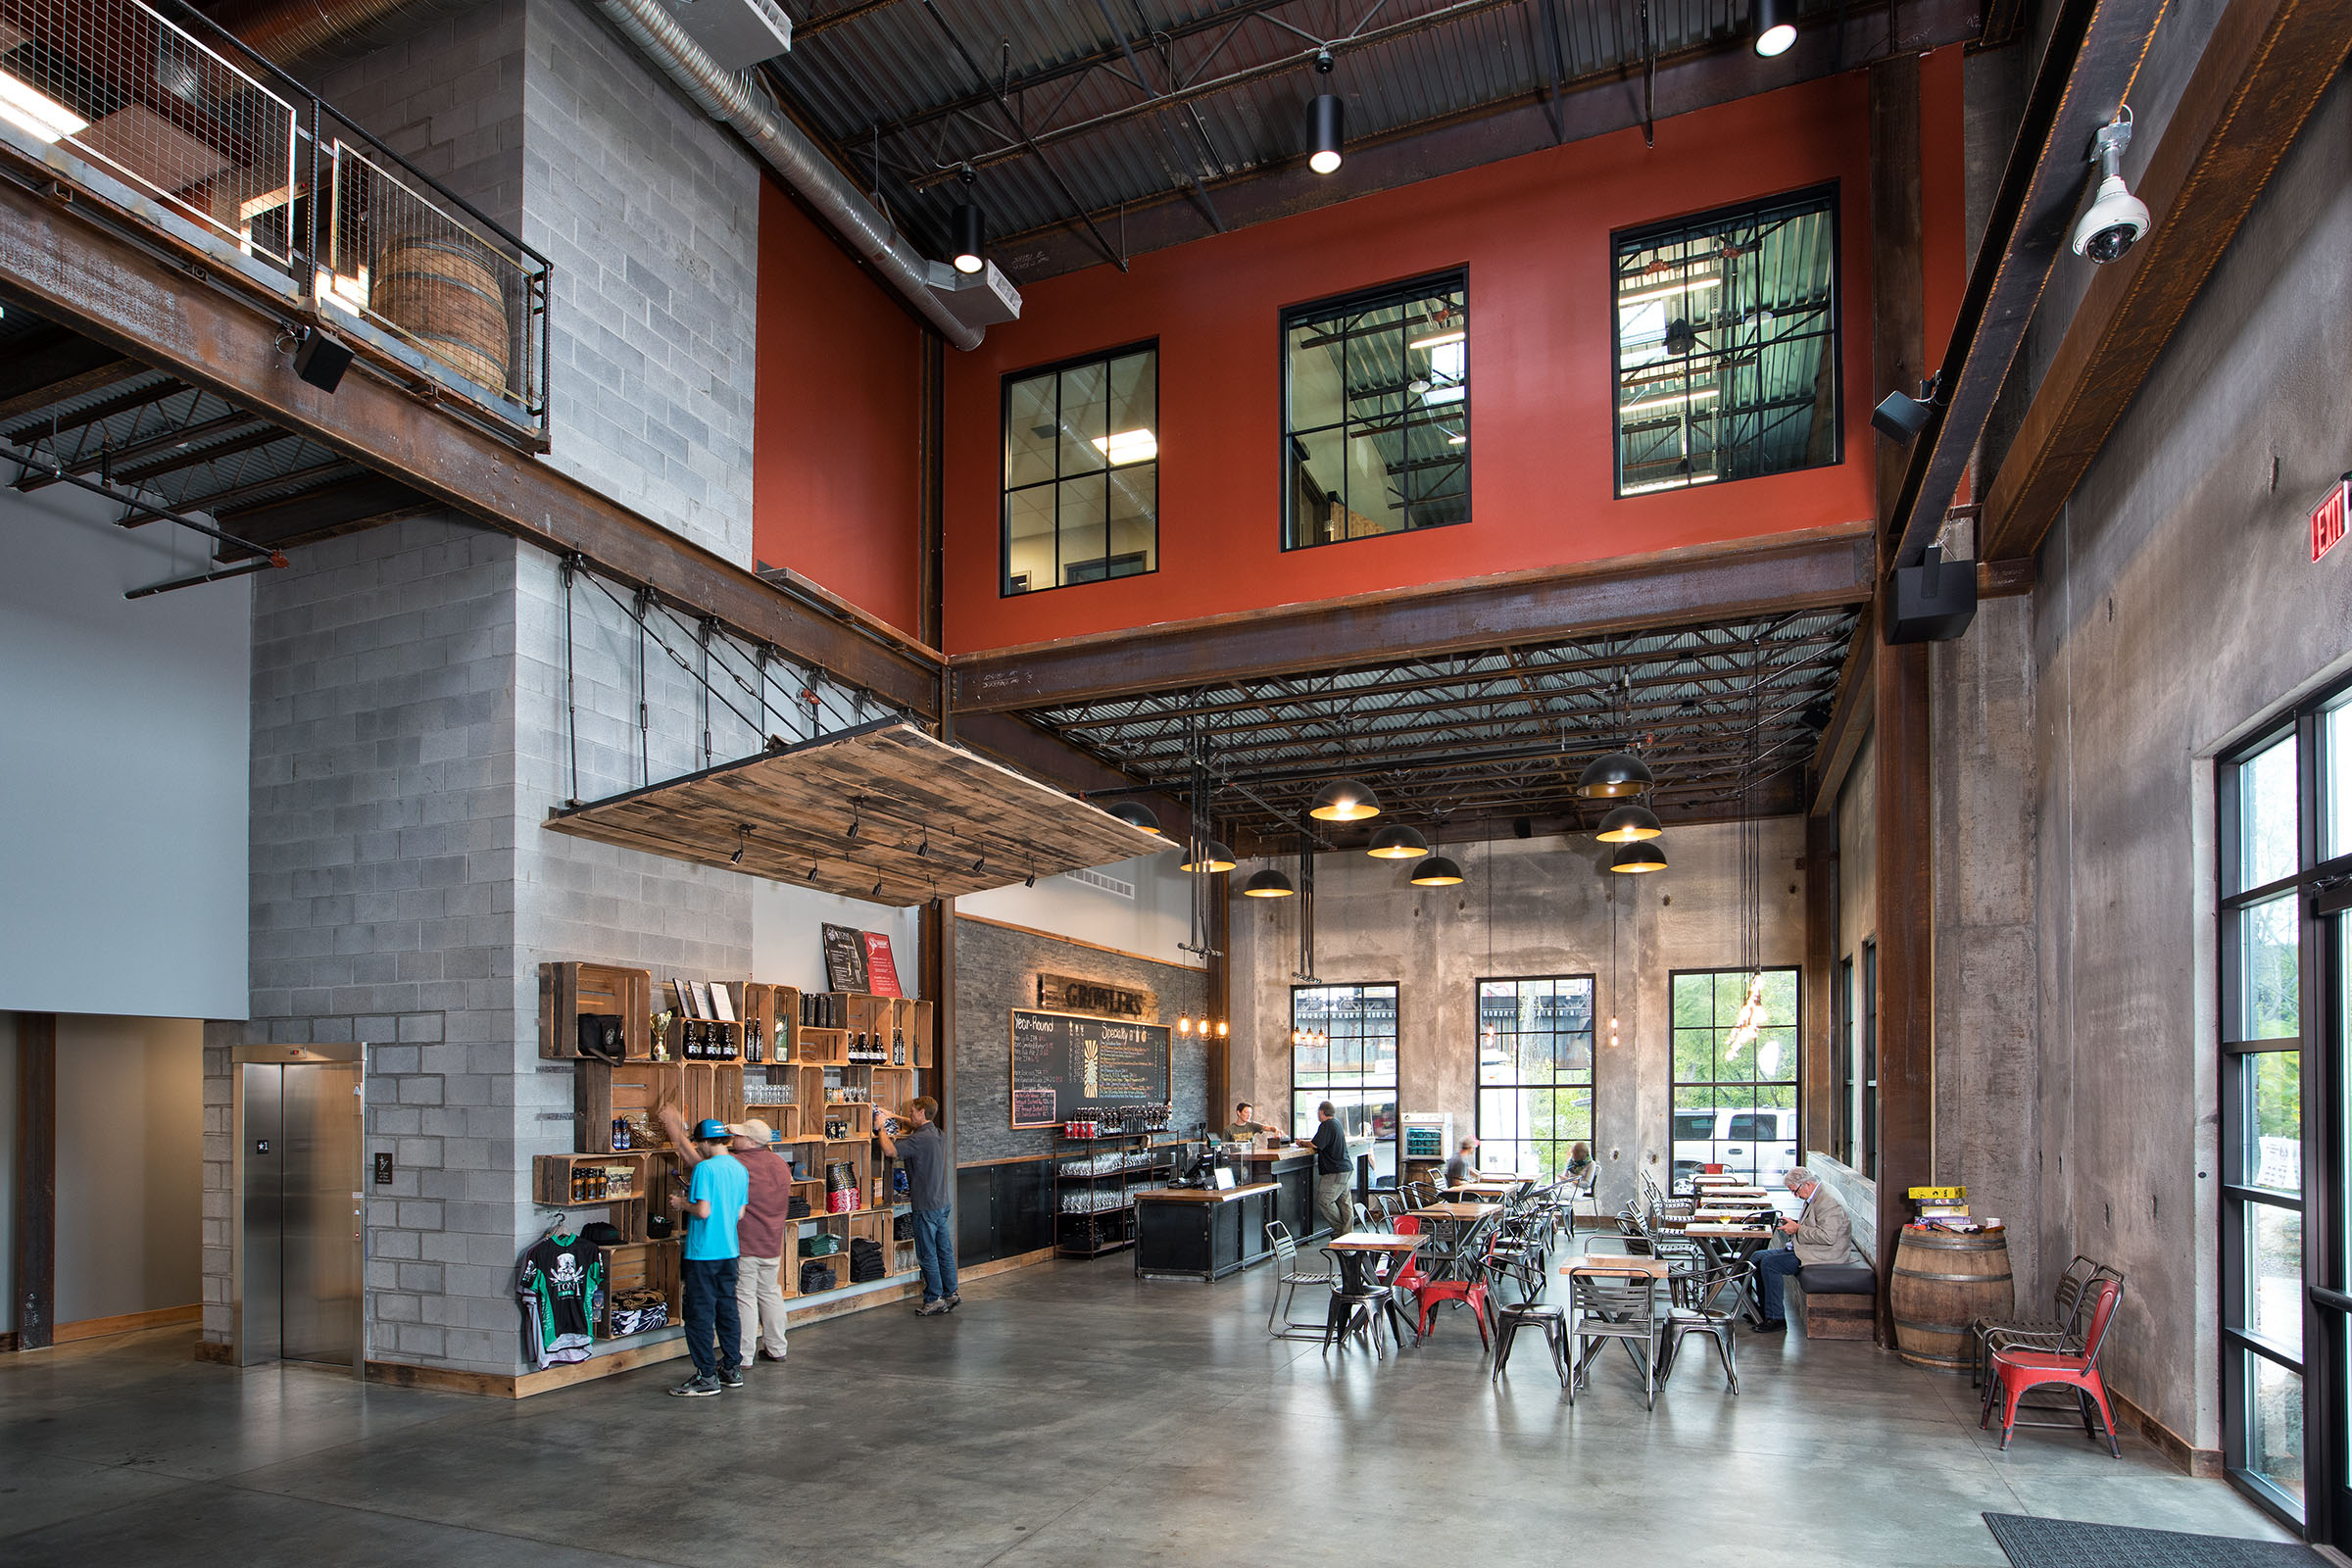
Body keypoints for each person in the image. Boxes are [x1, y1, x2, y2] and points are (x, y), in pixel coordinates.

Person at [663, 1108, 793, 1367]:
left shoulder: (740, 1164)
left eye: (740, 1136)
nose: (734, 1138)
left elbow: (701, 1166)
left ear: (753, 1142)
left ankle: (742, 1356)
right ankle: (777, 1347)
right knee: (770, 1293)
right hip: (772, 1240)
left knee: (742, 1297)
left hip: (742, 1242)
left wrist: (675, 1132)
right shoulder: (778, 1163)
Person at [669, 1117, 748, 1395]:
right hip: (729, 1251)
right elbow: (739, 1213)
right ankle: (731, 1368)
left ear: (703, 1142)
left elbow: (703, 1211)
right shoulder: (739, 1169)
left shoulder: (704, 1169)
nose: (697, 1148)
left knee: (699, 1315)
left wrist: (681, 1203)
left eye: (696, 1143)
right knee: (727, 1310)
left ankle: (706, 1376)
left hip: (703, 1252)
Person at [875, 1096, 957, 1316]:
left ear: (921, 1112)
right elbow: (915, 1124)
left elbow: (890, 1151)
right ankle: (951, 1293)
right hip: (941, 1201)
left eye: (912, 1110)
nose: (909, 1114)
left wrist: (880, 1128)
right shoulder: (937, 1134)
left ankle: (934, 1298)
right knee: (944, 1251)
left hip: (925, 1205)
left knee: (927, 1253)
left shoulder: (919, 1140)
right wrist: (893, 1116)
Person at [1752, 1166, 1853, 1335]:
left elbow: (1828, 1237)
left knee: (1770, 1264)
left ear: (1807, 1184)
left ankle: (1776, 1318)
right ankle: (1763, 1311)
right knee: (1757, 1257)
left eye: (1795, 1191)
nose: (1796, 1196)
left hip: (1826, 1253)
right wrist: (1793, 1223)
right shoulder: (1817, 1193)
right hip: (1810, 1247)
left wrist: (1797, 1229)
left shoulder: (1828, 1201)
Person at [1308, 1100, 1352, 1240]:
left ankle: (1340, 1230)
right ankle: (1347, 1233)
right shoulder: (1337, 1123)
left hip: (1334, 1170)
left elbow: (1316, 1144)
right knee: (1344, 1202)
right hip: (1345, 1168)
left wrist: (1301, 1142)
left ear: (1321, 1112)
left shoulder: (1326, 1125)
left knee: (1324, 1200)